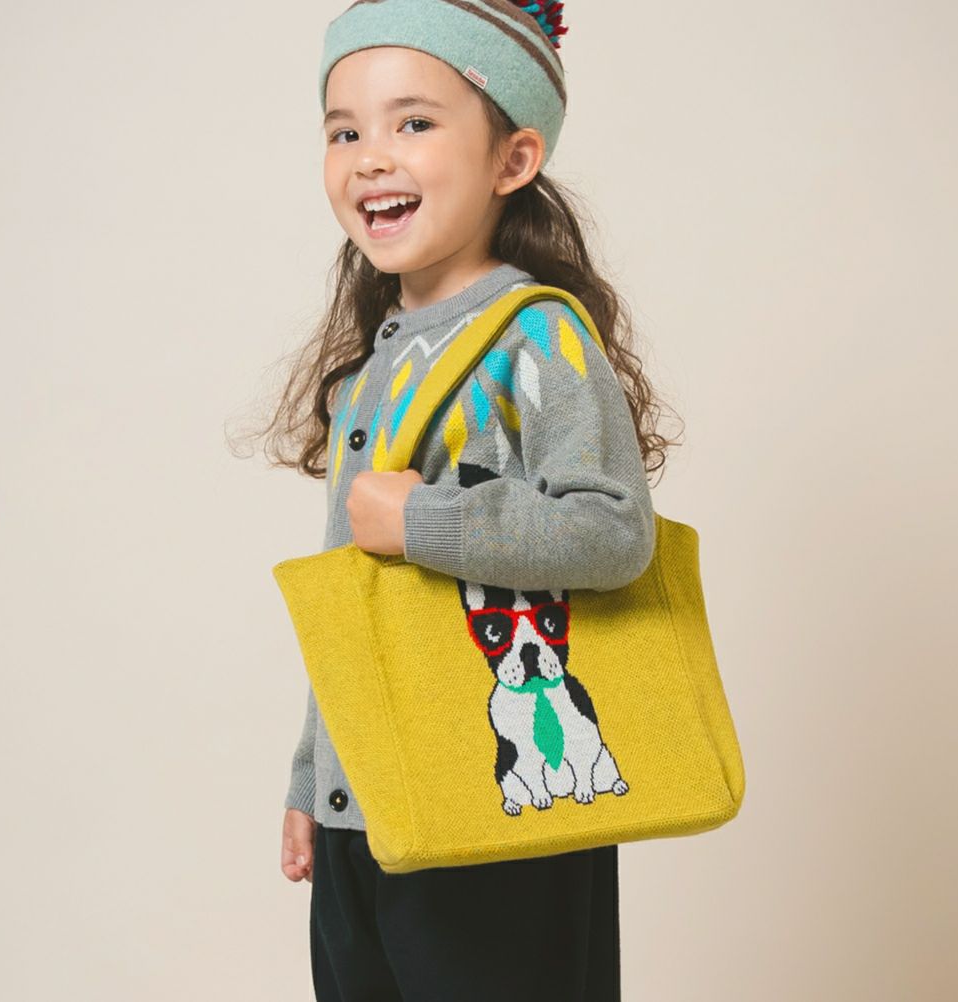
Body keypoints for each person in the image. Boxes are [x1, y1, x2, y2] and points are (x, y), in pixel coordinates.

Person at [263, 1, 679, 998]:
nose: (370, 156)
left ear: (513, 159)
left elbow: (613, 531)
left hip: (501, 803)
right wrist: (317, 777)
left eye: (413, 122)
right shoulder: (371, 371)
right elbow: (361, 609)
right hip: (372, 808)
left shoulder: (538, 338)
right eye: (343, 132)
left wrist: (423, 520)